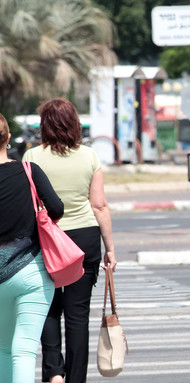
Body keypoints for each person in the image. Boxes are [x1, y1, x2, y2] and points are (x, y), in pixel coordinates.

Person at [23, 98, 117, 383]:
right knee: (78, 315)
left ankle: (54, 374)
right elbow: (99, 205)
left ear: (45, 125)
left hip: (47, 239)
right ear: (74, 123)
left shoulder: (32, 157)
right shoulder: (89, 156)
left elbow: (30, 204)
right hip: (84, 240)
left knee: (48, 309)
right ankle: (76, 379)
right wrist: (110, 248)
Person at [0, 113, 64, 383]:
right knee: (24, 350)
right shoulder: (28, 170)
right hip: (32, 271)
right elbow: (57, 208)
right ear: (8, 137)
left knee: (2, 349)